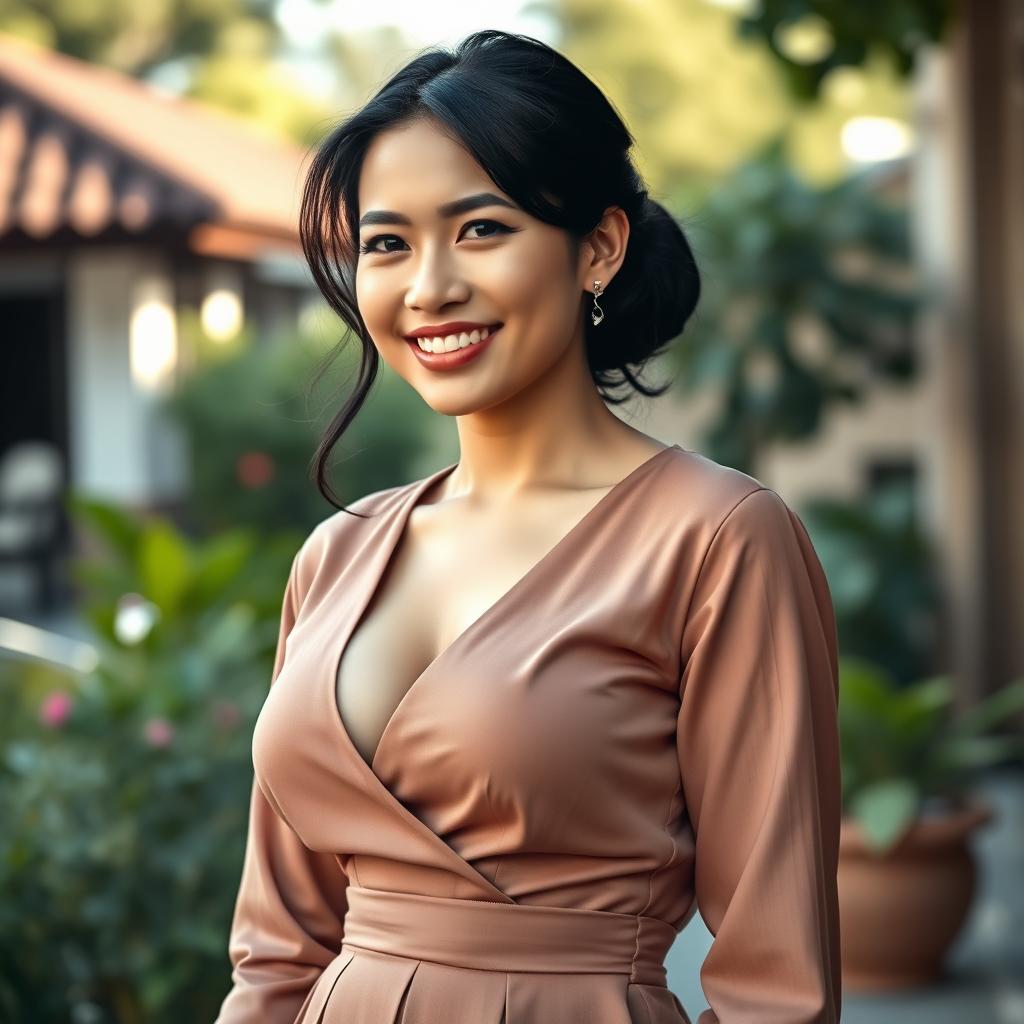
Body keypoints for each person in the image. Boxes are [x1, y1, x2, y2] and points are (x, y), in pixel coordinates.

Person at [214, 28, 841, 1024]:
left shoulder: (718, 538)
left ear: (596, 248)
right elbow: (275, 952)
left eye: (480, 229)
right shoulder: (334, 557)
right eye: (387, 243)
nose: (428, 288)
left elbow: (778, 984)